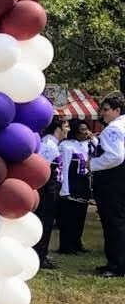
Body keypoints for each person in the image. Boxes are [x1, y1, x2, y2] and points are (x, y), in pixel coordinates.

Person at [91, 92, 125, 277]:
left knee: (113, 223)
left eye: (105, 110)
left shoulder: (113, 128)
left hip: (113, 180)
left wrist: (93, 164)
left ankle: (116, 265)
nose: (102, 113)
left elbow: (115, 156)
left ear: (117, 110)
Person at [34, 117, 67, 269]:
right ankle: (39, 256)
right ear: (58, 128)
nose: (69, 129)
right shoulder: (48, 144)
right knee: (44, 222)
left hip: (53, 188)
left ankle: (43, 253)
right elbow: (40, 169)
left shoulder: (54, 143)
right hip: (46, 190)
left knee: (48, 223)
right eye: (66, 126)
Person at [57, 119, 92, 255]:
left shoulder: (85, 145)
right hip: (72, 183)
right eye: (82, 130)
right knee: (69, 217)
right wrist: (65, 189)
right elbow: (64, 168)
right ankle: (66, 245)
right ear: (75, 131)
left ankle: (77, 242)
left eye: (86, 129)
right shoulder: (66, 146)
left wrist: (92, 138)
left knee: (80, 216)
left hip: (83, 184)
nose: (85, 132)